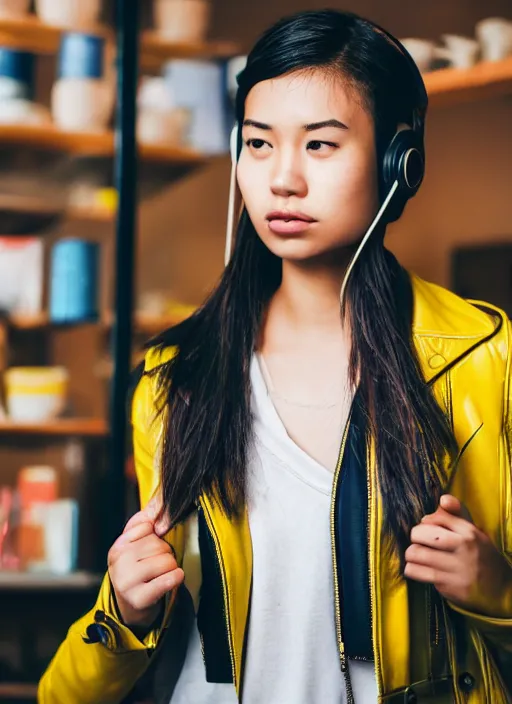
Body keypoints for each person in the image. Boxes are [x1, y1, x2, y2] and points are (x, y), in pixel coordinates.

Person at [39, 9, 512, 704]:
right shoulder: (177, 378)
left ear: (398, 162)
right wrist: (126, 610)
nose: (281, 180)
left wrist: (497, 590)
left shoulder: (486, 361)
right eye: (258, 144)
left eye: (320, 146)